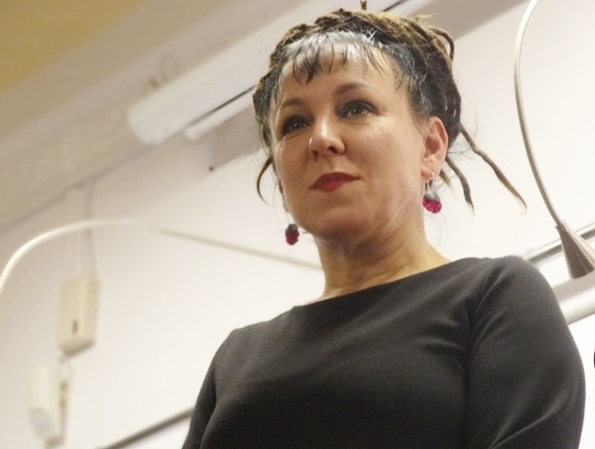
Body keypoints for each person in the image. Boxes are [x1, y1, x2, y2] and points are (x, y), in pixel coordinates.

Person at [182, 7, 585, 449]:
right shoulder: (237, 359)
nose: (321, 138)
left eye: (356, 108)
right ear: (280, 177)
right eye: (294, 123)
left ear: (430, 147)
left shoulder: (493, 297)